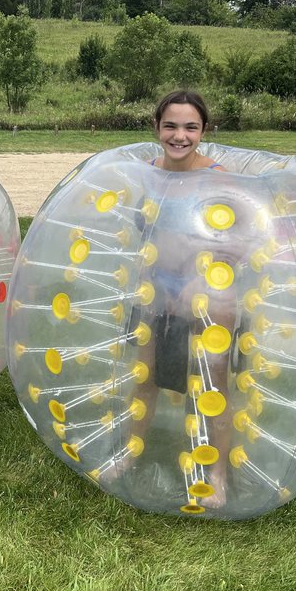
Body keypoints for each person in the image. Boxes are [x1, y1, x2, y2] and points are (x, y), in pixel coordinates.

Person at [121, 89, 231, 507]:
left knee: (212, 383)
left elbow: (238, 242)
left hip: (209, 289)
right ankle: (129, 455)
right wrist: (148, 281)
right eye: (170, 125)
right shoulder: (150, 172)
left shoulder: (218, 177)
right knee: (144, 376)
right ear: (157, 127)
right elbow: (147, 232)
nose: (179, 135)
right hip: (157, 286)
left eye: (190, 127)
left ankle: (217, 473)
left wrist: (200, 281)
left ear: (203, 130)